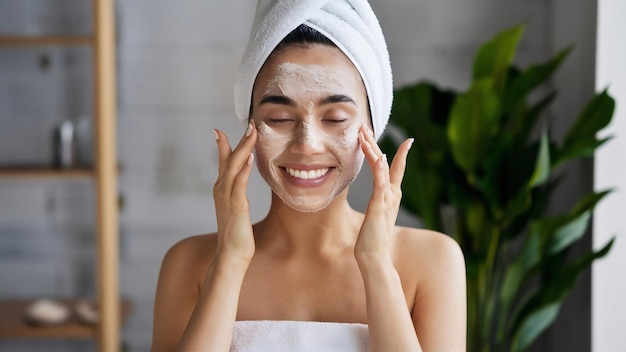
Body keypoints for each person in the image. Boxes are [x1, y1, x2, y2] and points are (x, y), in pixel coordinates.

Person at [152, 1, 466, 351]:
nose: (307, 144)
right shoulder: (190, 264)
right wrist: (229, 262)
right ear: (249, 127)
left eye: (334, 118)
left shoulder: (432, 262)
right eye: (280, 118)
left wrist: (377, 267)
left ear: (372, 127)